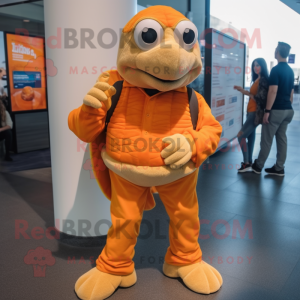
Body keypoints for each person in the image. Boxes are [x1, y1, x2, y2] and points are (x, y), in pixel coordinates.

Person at [252, 42, 294, 176]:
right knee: (282, 139)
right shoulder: (290, 70)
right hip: (288, 110)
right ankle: (279, 167)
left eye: (275, 49)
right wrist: (286, 105)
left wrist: (267, 111)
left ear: (277, 52)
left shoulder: (276, 70)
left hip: (276, 110)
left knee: (266, 139)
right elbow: (291, 93)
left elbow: (272, 92)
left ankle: (258, 166)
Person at [234, 58, 269, 172]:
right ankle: (248, 161)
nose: (255, 67)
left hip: (255, 112)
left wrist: (247, 93)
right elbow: (253, 95)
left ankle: (246, 163)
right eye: (254, 65)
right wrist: (243, 91)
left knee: (241, 136)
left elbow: (261, 98)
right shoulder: (257, 79)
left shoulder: (263, 80)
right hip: (251, 111)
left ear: (263, 66)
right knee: (250, 136)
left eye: (258, 65)